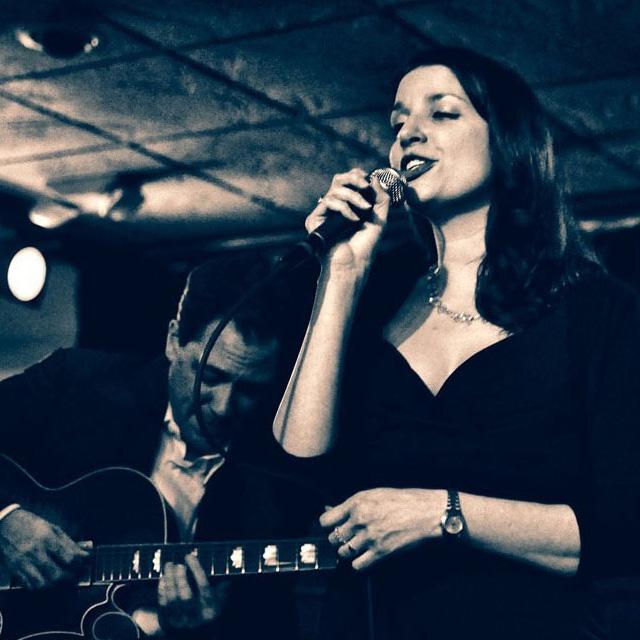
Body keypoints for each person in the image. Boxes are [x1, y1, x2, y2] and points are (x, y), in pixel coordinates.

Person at [272, 46, 640, 639]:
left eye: (442, 114)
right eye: (397, 123)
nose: (408, 134)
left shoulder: (598, 311)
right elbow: (301, 454)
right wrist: (341, 276)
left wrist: (443, 512)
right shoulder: (374, 297)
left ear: (508, 141)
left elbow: (624, 527)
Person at [0, 252, 317, 639]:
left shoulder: (277, 486)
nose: (223, 406)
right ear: (173, 341)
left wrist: (189, 630)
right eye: (209, 376)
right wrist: (5, 519)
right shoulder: (76, 383)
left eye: (251, 388)